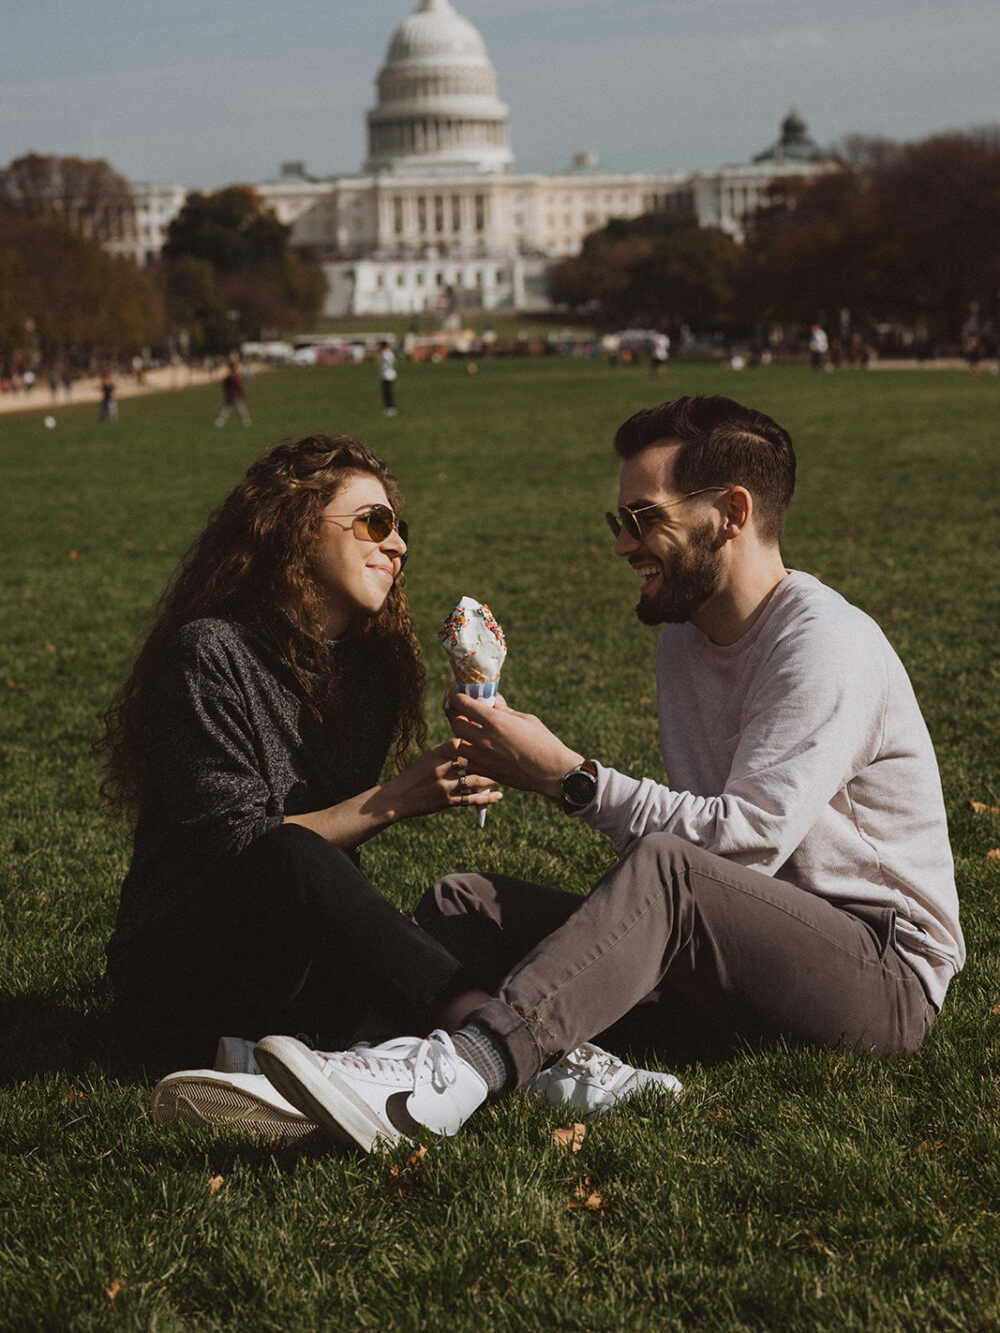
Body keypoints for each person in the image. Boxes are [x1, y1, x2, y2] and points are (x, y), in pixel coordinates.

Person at [252, 395, 965, 1154]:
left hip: (879, 972)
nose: (625, 546)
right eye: (618, 522)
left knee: (669, 873)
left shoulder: (827, 645)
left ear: (731, 512)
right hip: (733, 960)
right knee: (464, 901)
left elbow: (743, 846)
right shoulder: (685, 645)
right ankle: (362, 1063)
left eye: (643, 518)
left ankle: (463, 1069)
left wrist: (570, 778)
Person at [100, 434, 667, 1138]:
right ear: (296, 527)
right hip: (183, 970)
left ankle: (283, 1061)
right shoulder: (209, 653)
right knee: (290, 852)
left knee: (436, 911)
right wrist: (399, 797)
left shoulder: (368, 673)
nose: (396, 544)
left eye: (401, 527)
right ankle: (514, 1045)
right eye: (373, 521)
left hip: (296, 969)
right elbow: (238, 854)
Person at [215, 357, 251, 427]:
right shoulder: (235, 376)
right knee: (240, 408)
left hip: (230, 395)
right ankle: (246, 421)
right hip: (236, 395)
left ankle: (220, 421)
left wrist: (226, 392)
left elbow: (224, 385)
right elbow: (239, 385)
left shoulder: (229, 377)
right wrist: (242, 393)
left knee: (227, 408)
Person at [378, 341, 397, 416]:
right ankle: (389, 407)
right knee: (387, 392)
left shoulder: (385, 353)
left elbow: (385, 364)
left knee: (388, 392)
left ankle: (390, 408)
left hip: (387, 374)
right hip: (389, 374)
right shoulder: (389, 352)